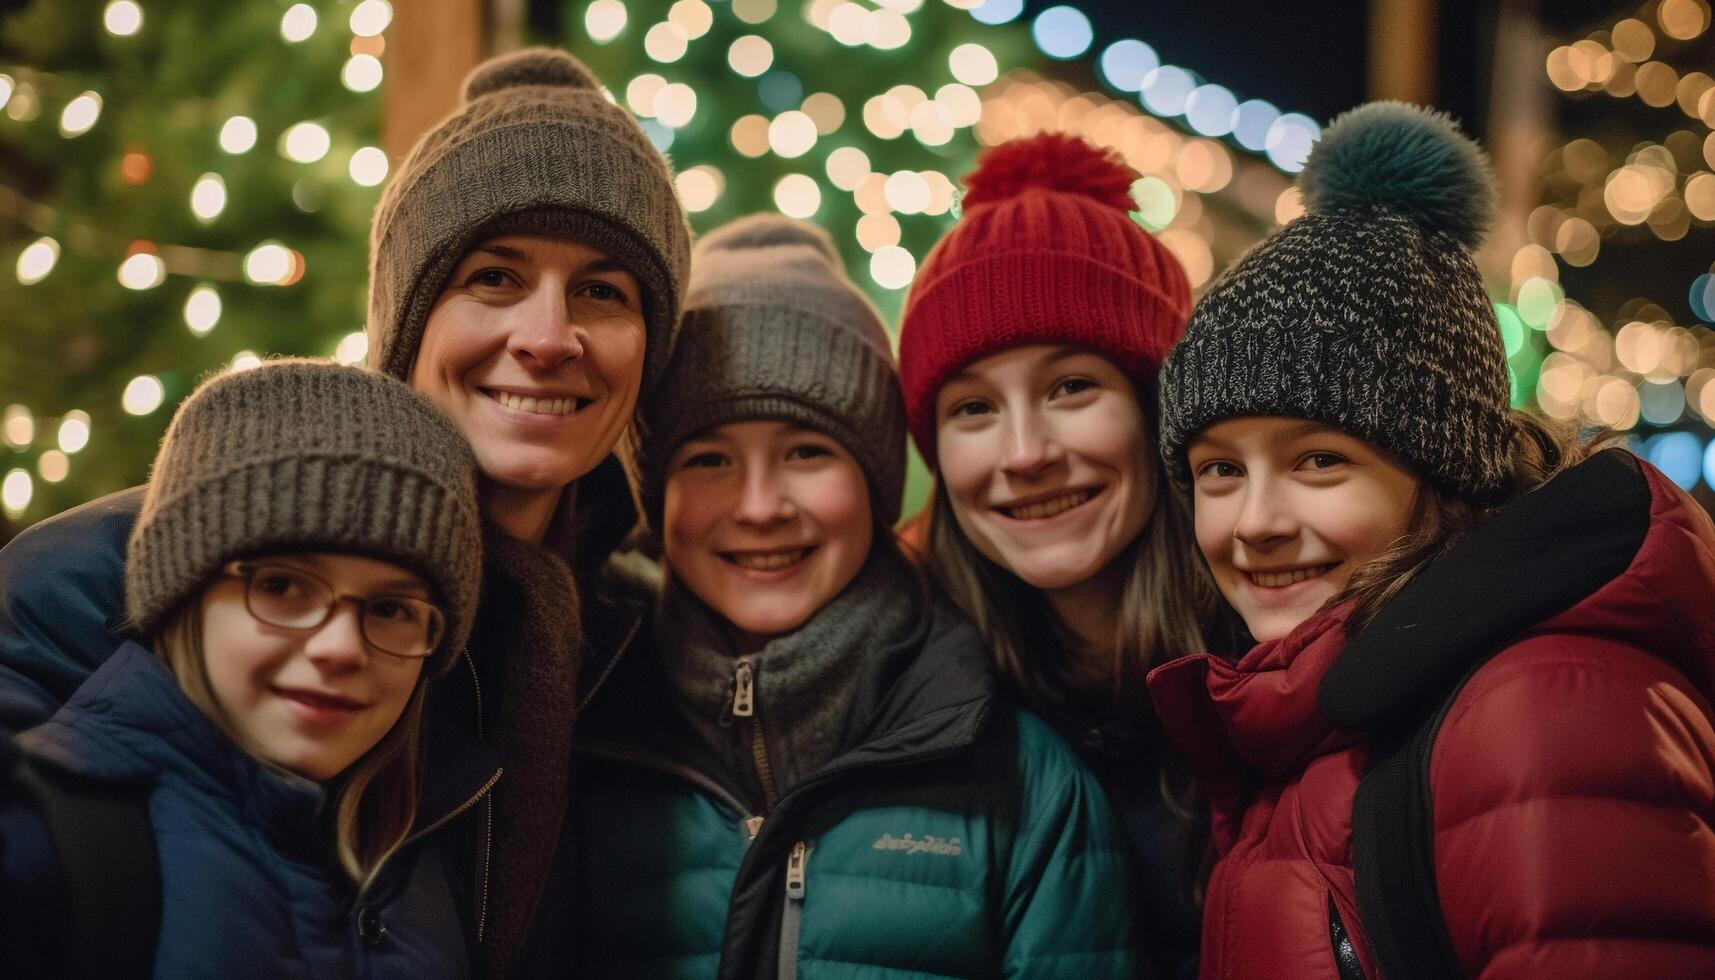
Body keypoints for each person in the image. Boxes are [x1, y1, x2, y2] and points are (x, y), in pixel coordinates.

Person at [0, 47, 691, 976]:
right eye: (493, 277)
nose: (546, 337)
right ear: (404, 319)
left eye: (602, 292)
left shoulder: (637, 632)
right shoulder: (111, 576)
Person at [1149, 102, 1715, 978]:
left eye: (1318, 461)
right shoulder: (1314, 706)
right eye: (1219, 470)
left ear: (1444, 470)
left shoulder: (1536, 712)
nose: (1254, 521)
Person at [571, 215, 1143, 979]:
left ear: (874, 487)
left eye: (807, 451)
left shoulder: (1020, 776)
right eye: (708, 459)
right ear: (658, 498)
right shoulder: (575, 743)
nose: (760, 505)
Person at [0, 360, 484, 977]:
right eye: (282, 586)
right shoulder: (45, 838)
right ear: (181, 598)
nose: (340, 647)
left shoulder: (418, 861)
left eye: (391, 608)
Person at [895, 130, 1220, 978]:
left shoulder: (1284, 662)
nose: (1025, 452)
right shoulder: (908, 687)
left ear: (1159, 412)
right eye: (972, 409)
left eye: (1071, 386)